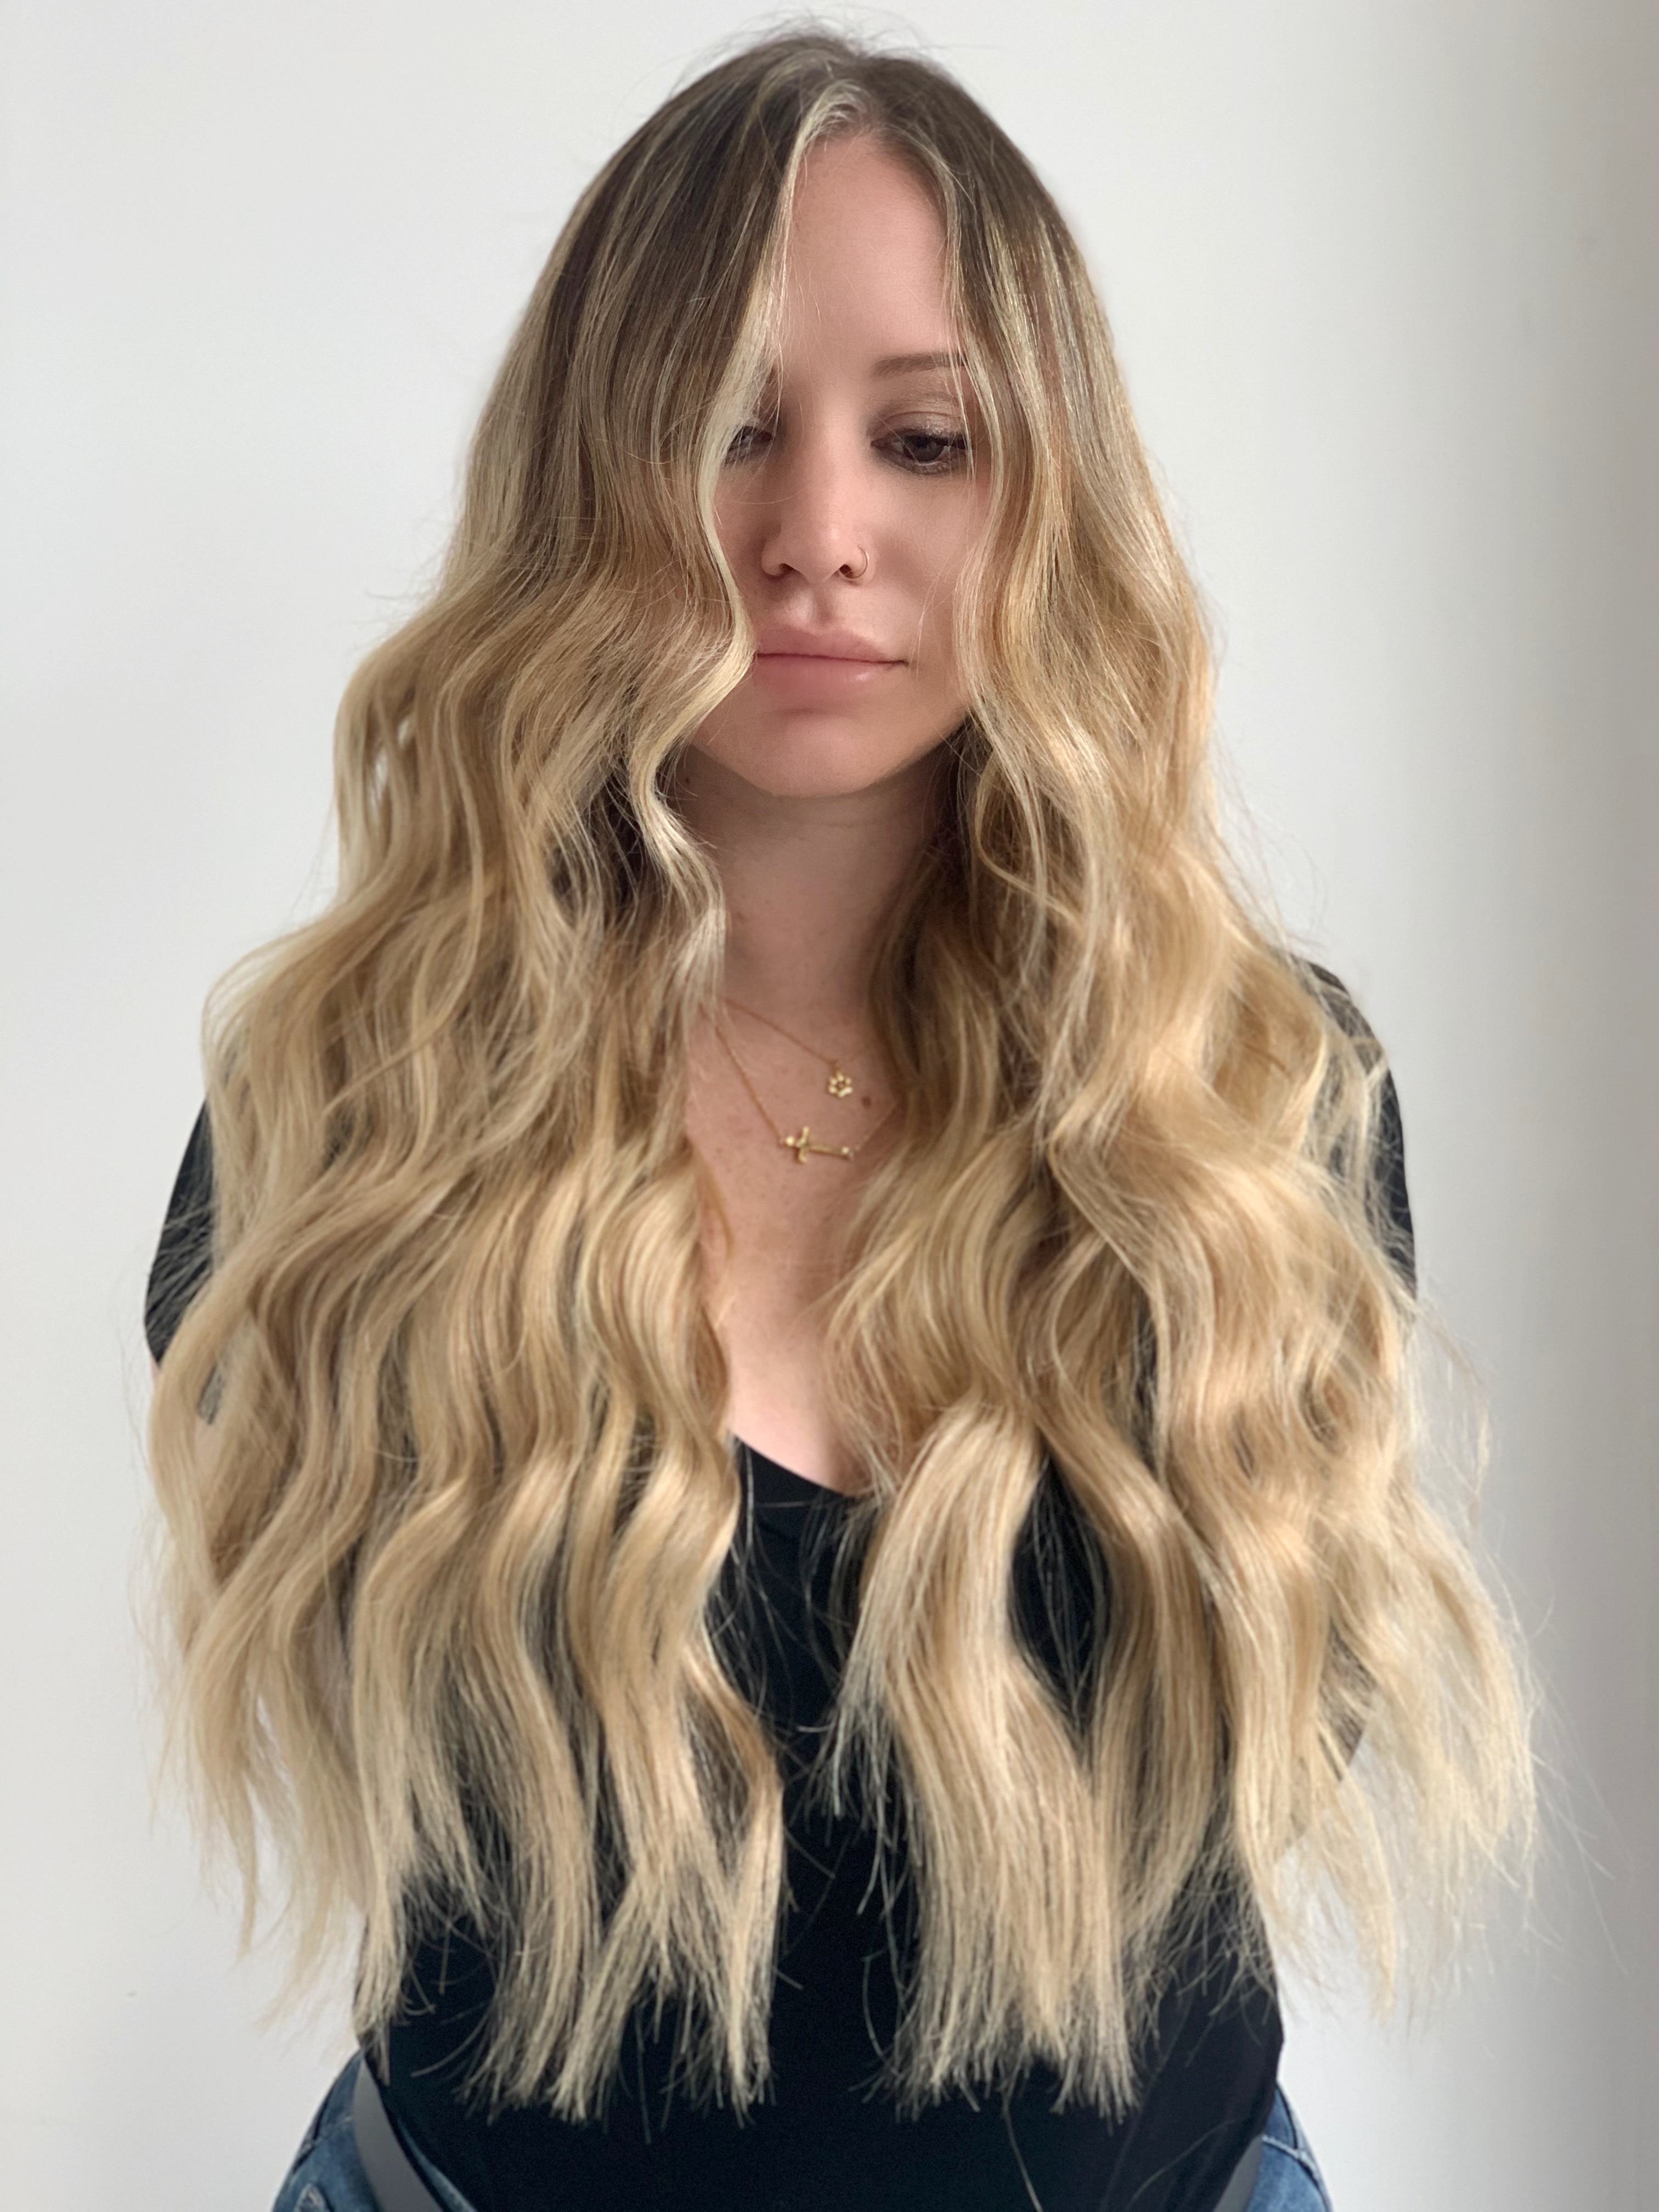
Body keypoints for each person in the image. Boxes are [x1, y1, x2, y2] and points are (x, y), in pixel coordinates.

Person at [144, 29, 1533, 2212]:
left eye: (925, 440)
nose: (815, 537)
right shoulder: (343, 1129)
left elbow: (1237, 1804)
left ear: (1047, 495)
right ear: (588, 483)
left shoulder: (1252, 1112)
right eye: (728, 429)